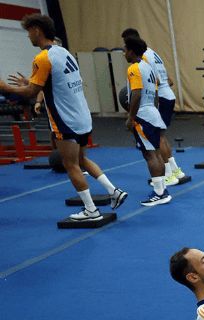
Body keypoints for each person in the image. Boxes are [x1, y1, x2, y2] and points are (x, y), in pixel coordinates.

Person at [0, 14, 127, 222]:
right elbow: (48, 83)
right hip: (82, 116)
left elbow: (32, 92)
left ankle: (91, 210)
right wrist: (28, 82)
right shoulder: (63, 52)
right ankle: (114, 191)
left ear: (37, 30)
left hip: (65, 119)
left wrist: (6, 87)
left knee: (71, 165)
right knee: (82, 159)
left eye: (29, 32)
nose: (28, 37)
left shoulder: (42, 58)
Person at [120, 28, 184, 187]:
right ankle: (175, 170)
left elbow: (148, 84)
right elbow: (169, 80)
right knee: (161, 136)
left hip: (158, 97)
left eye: (125, 46)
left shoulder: (142, 60)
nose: (123, 50)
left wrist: (134, 112)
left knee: (157, 140)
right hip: (167, 94)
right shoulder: (152, 52)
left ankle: (168, 175)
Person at [123, 36, 170, 207]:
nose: (123, 53)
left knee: (150, 155)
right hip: (152, 112)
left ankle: (160, 193)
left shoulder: (134, 68)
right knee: (156, 154)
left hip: (143, 115)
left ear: (131, 51)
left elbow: (136, 93)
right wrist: (153, 111)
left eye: (125, 50)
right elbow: (156, 94)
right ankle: (162, 189)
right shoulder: (149, 68)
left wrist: (131, 117)